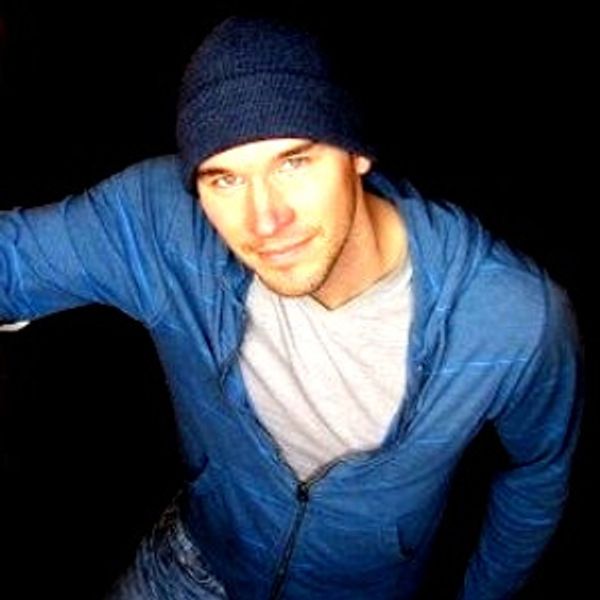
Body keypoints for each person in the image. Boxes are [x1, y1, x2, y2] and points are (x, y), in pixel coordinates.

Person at [0, 15, 583, 600]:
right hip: (199, 564)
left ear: (356, 153)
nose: (265, 221)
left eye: (294, 163)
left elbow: (538, 470)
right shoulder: (158, 226)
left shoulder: (512, 318)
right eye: (225, 180)